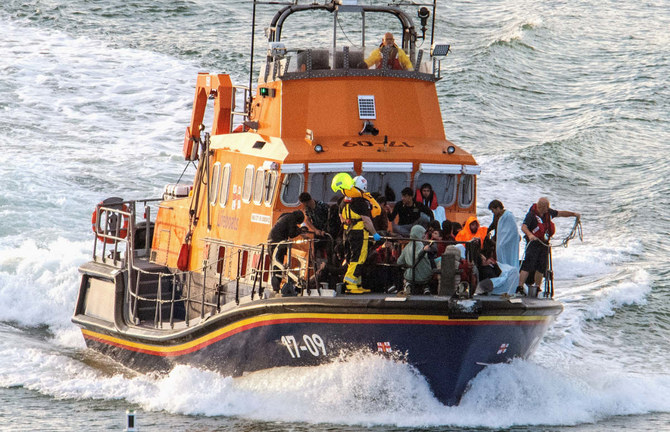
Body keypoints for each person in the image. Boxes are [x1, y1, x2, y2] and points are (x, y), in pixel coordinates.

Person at [331, 173, 382, 294]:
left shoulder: (343, 202)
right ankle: (350, 283)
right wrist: (375, 234)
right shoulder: (360, 202)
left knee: (350, 258)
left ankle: (356, 283)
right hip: (359, 233)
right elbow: (367, 221)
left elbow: (341, 218)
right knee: (359, 258)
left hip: (347, 233)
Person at [518, 197, 580, 291]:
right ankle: (520, 286)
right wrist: (530, 235)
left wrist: (573, 214)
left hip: (544, 244)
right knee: (528, 265)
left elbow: (560, 213)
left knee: (541, 267)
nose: (548, 209)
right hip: (533, 243)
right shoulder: (531, 215)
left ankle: (537, 287)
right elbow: (524, 227)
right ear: (542, 207)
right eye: (547, 207)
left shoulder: (548, 213)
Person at [486, 200, 521, 295]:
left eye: (493, 210)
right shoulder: (498, 216)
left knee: (509, 262)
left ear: (498, 208)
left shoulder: (509, 216)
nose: (493, 213)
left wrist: (502, 243)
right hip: (500, 242)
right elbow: (494, 225)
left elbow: (512, 231)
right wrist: (487, 231)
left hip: (508, 245)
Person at [267, 210, 306, 293]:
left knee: (275, 265)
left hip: (271, 240)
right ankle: (276, 286)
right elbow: (291, 233)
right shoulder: (292, 219)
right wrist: (300, 230)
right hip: (278, 242)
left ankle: (275, 286)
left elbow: (287, 228)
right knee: (278, 265)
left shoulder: (286, 215)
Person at [397, 225, 434, 295]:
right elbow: (418, 256)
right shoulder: (419, 244)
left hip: (409, 275)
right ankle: (426, 287)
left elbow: (399, 261)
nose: (424, 235)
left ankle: (407, 284)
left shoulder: (407, 246)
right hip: (423, 275)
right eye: (423, 233)